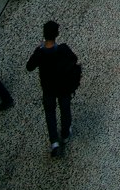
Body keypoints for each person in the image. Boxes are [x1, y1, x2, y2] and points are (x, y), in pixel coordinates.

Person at [25, 20, 80, 155]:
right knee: (65, 109)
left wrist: (37, 50)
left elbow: (29, 67)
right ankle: (65, 133)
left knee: (50, 113)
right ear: (57, 34)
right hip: (63, 87)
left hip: (48, 88)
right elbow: (74, 59)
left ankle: (54, 142)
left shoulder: (40, 52)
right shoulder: (63, 49)